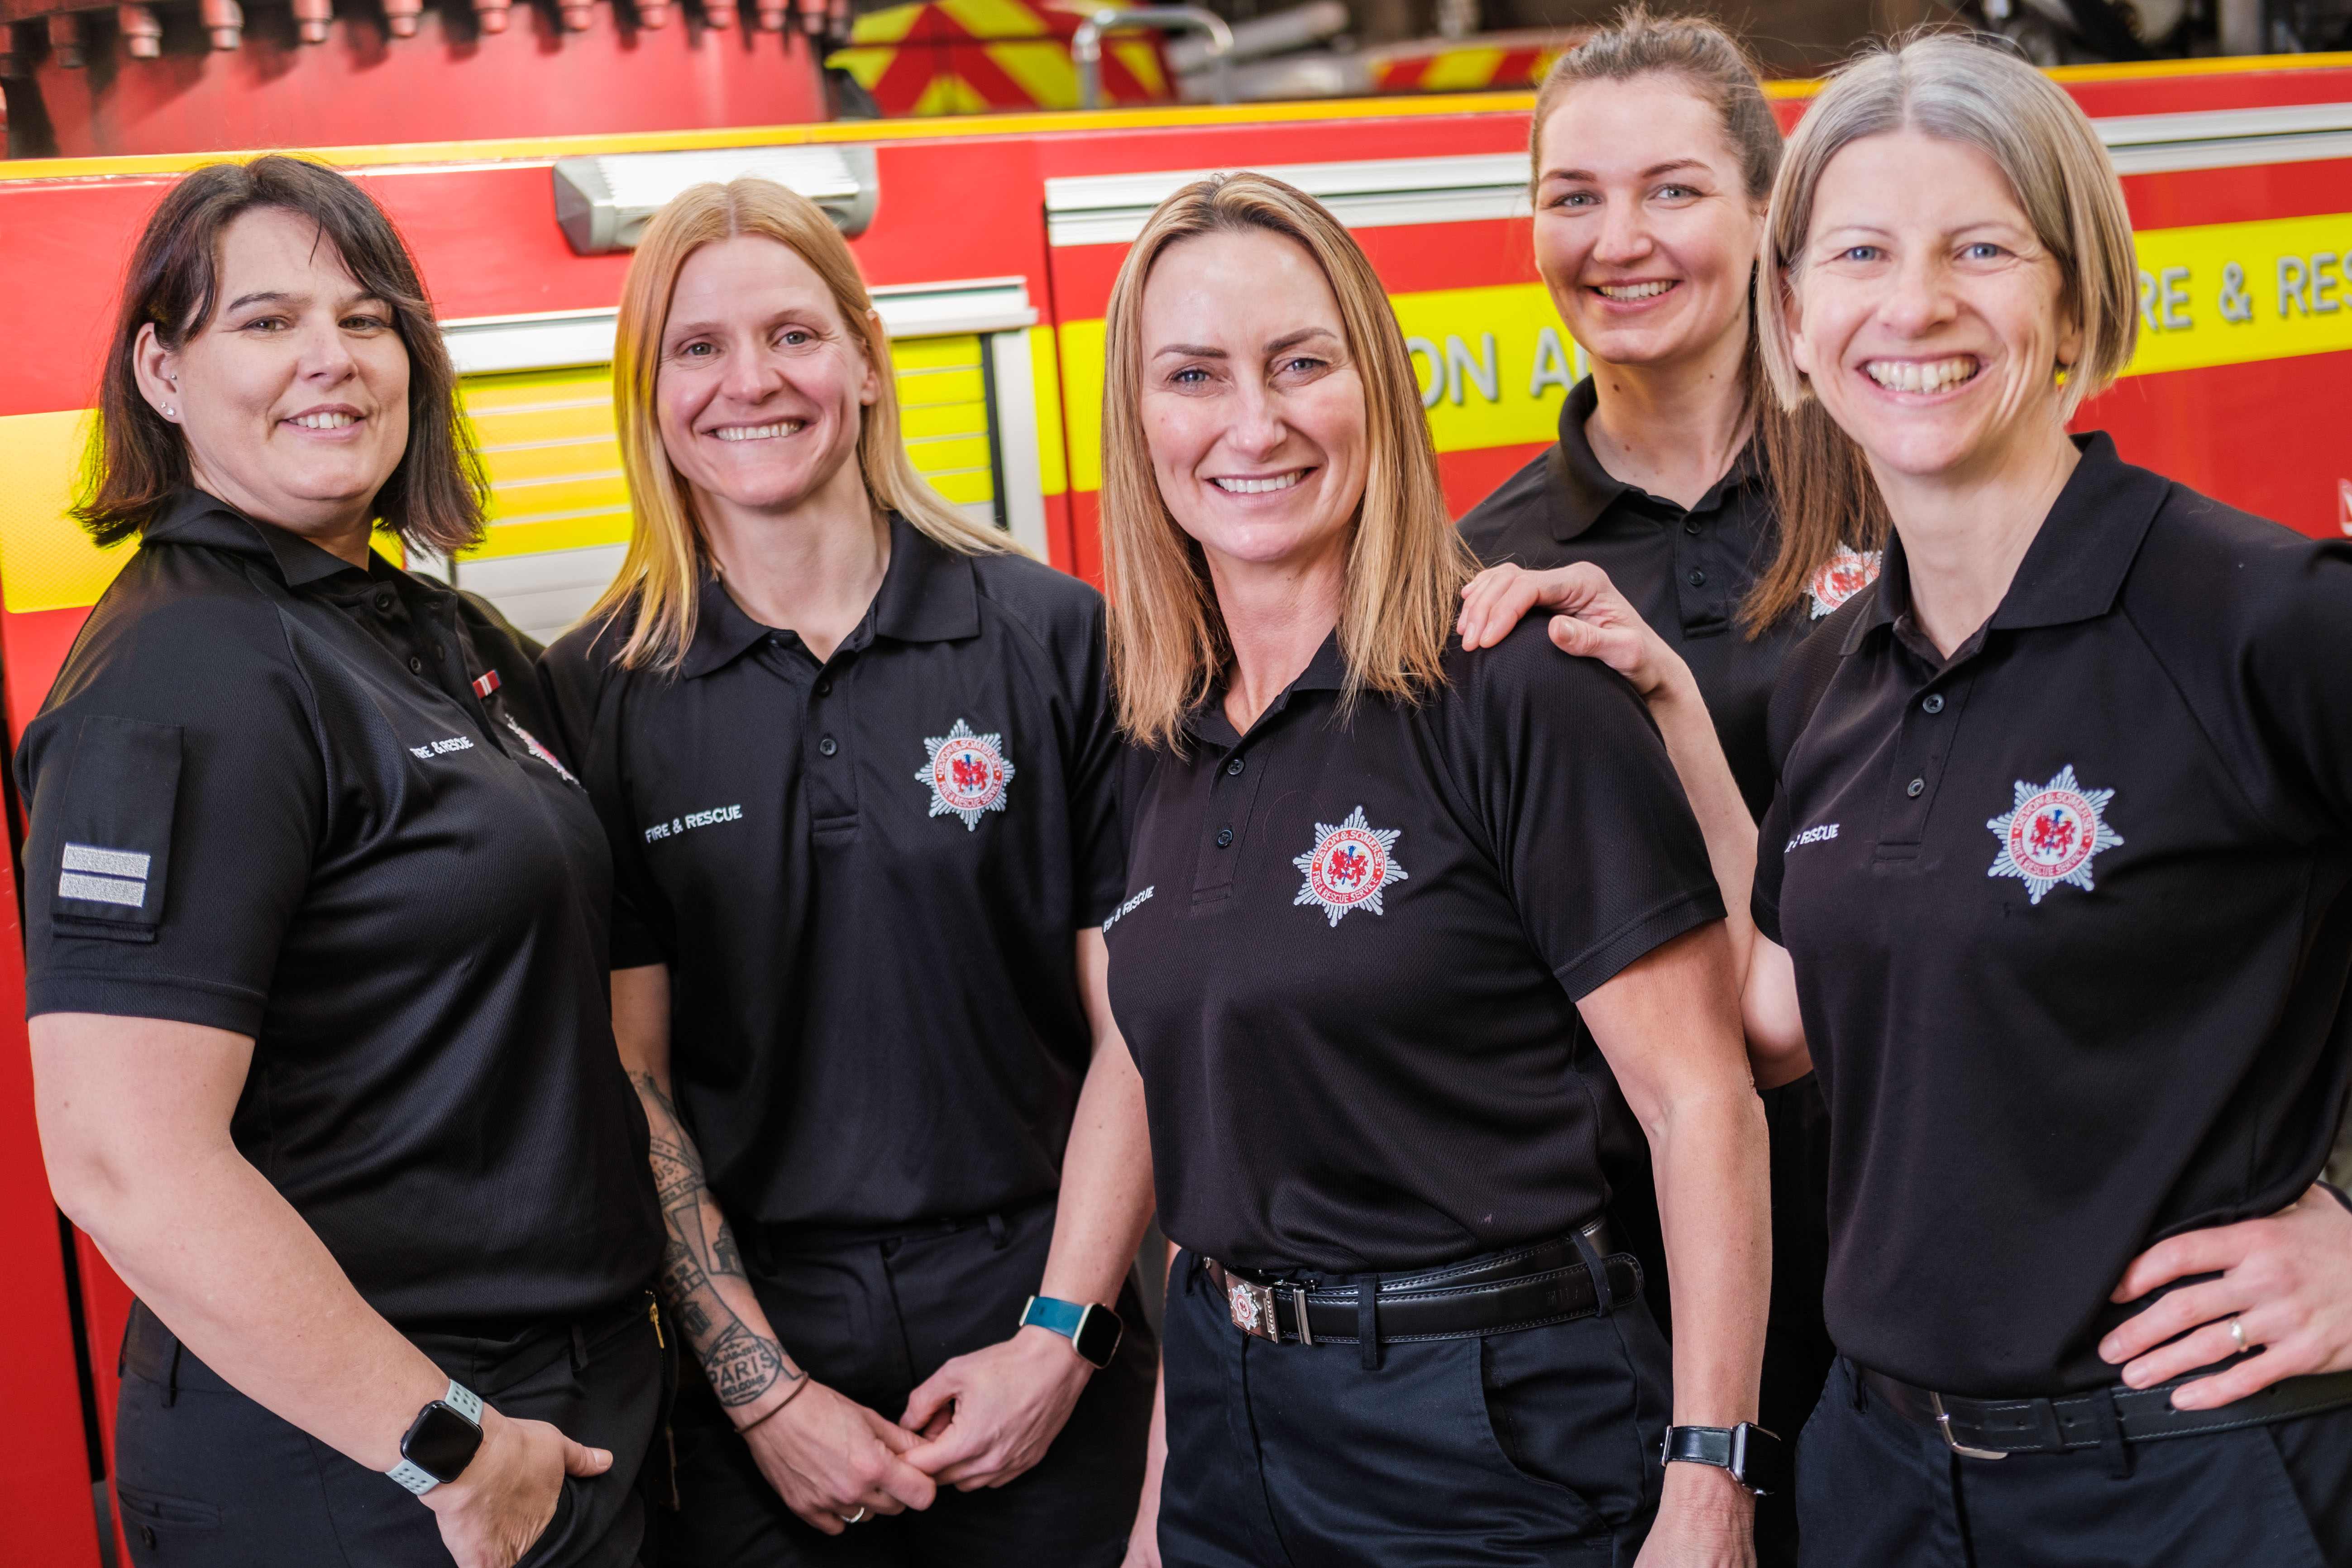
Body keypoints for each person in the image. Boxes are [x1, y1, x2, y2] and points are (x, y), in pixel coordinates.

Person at [1461, 35, 2352, 1563]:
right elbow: (1779, 1017)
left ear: (2075, 297)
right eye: (1860, 252)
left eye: (1981, 247)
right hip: (1883, 1483)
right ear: (1795, 320)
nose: (1915, 304)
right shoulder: (1835, 674)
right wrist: (1675, 714)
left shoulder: (2256, 616)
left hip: (2190, 1484)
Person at [1100, 170, 1772, 1568]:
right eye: (1192, 376)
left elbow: (1703, 1102)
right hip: (1235, 1427)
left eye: (1300, 363)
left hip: (1489, 1431)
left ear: (1379, 386)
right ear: (1138, 422)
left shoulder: (1510, 687)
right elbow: (1213, 1180)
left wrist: (1708, 1488)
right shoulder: (1159, 738)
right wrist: (1166, 1510)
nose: (1252, 424)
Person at [22, 156, 667, 1568]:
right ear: (164, 370)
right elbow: (122, 1159)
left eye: (368, 318)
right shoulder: (182, 673)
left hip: (558, 1404)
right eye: (264, 321)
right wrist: (443, 1446)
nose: (332, 358)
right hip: (368, 1465)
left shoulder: (443, 640)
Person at [540, 177, 1157, 1567]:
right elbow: (632, 1081)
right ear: (647, 392)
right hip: (762, 1347)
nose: (748, 383)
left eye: (794, 336)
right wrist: (765, 1399)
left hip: (1040, 1300)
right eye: (696, 348)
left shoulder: (1053, 641)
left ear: (867, 361)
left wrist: (1063, 1337)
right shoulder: (594, 697)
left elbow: (1138, 1025)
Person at [1453, 20, 1884, 1560]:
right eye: (1571, 197)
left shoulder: (1899, 476)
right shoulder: (1479, 571)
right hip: (1646, 1268)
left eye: (1669, 191)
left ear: (1765, 213)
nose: (1615, 242)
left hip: (1926, 1215)